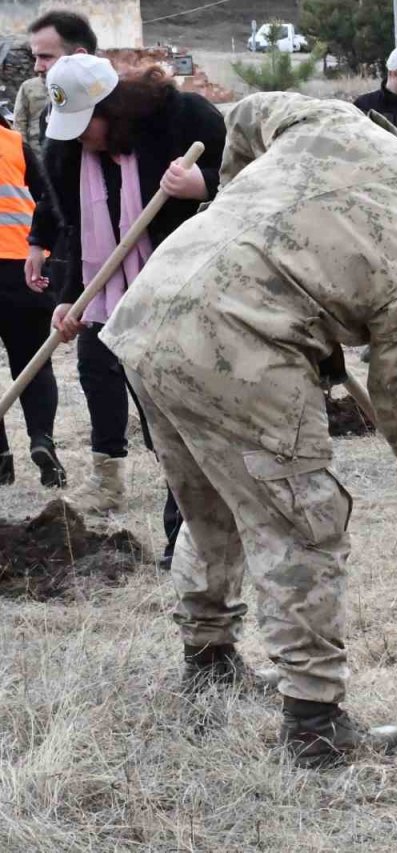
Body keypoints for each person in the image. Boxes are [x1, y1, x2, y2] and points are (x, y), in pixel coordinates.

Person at [99, 90, 397, 767]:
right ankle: (314, 722)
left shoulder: (342, 123)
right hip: (237, 348)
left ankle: (208, 657)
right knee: (305, 524)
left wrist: (232, 209)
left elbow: (243, 115)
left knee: (210, 507)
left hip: (154, 309)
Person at [29, 56, 225, 579]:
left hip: (189, 292)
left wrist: (202, 185)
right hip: (116, 302)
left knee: (185, 419)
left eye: (87, 124)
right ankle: (179, 532)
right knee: (155, 421)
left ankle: (189, 536)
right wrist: (71, 300)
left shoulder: (185, 120)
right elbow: (75, 230)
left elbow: (248, 179)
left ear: (114, 109)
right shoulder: (68, 155)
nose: (80, 138)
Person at [0, 120, 65, 488]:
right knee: (34, 364)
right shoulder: (14, 143)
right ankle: (43, 439)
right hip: (21, 267)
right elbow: (49, 198)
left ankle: (1, 458)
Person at [16, 11, 96, 148]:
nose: (37, 68)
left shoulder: (121, 107)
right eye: (36, 57)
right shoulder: (48, 112)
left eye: (46, 57)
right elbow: (19, 124)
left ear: (79, 57)